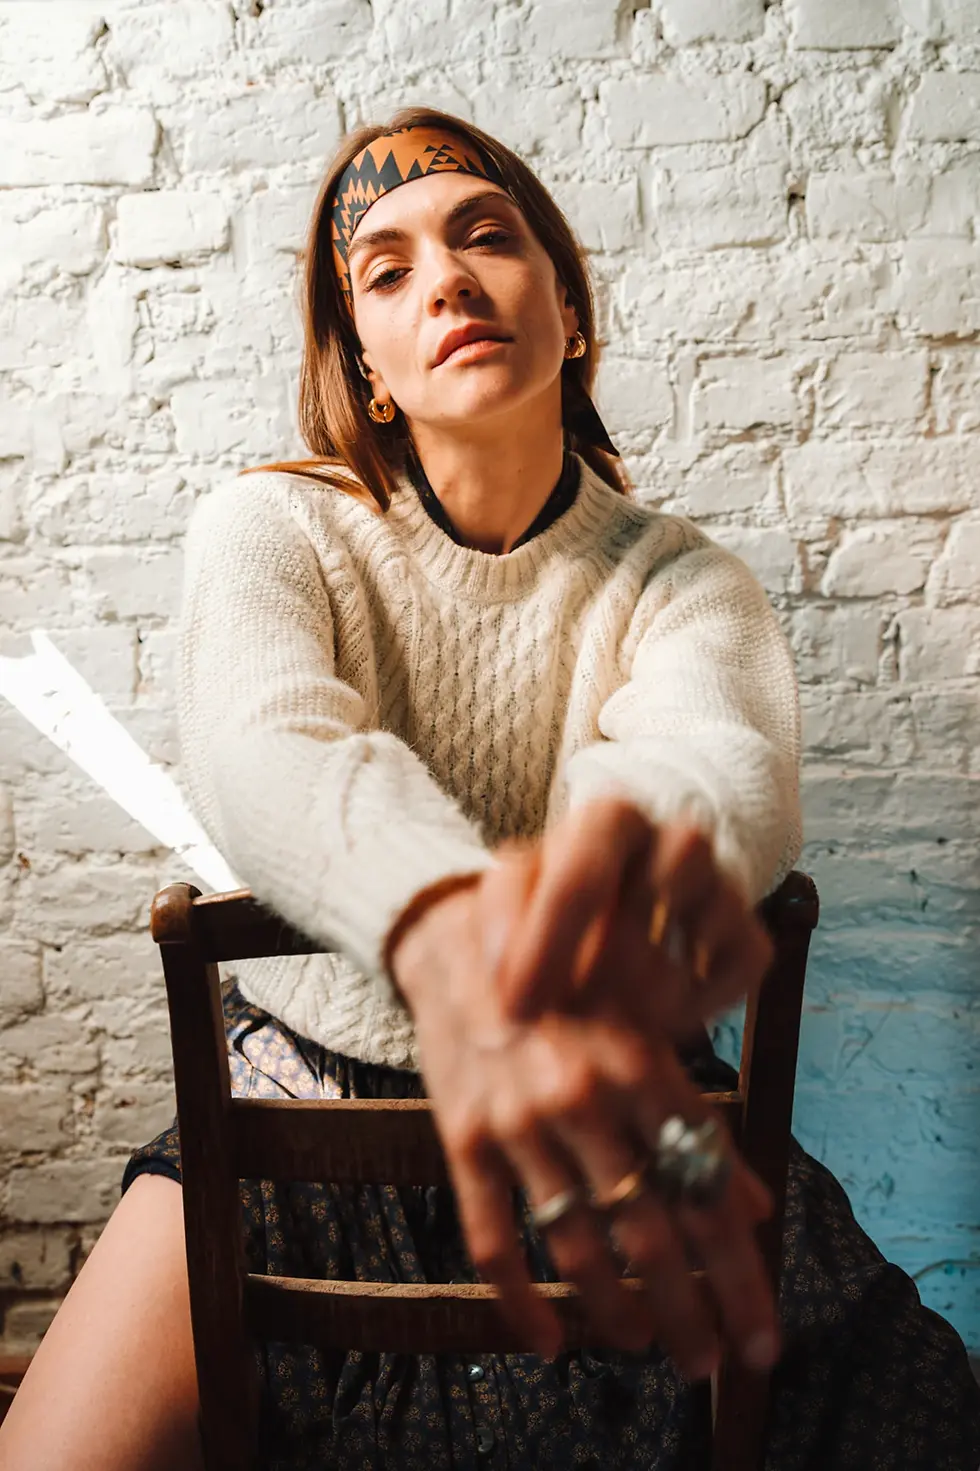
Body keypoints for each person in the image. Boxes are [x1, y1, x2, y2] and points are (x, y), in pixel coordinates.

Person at [2, 108, 978, 1471]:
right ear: (367, 365)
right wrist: (457, 930)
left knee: (915, 1407)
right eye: (388, 268)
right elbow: (266, 744)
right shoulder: (273, 526)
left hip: (623, 1095)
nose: (448, 280)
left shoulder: (684, 581)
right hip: (297, 1115)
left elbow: (711, 773)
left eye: (485, 236)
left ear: (569, 311)